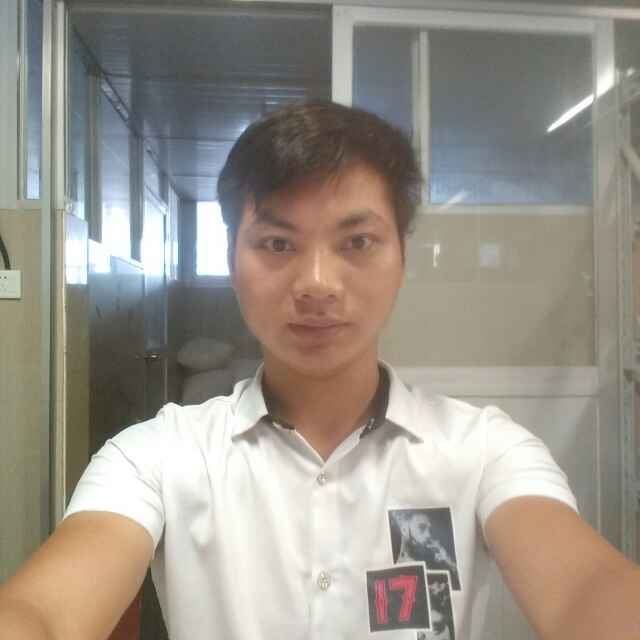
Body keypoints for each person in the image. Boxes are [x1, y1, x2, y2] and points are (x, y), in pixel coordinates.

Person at [1, 100, 639, 640]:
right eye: (277, 244)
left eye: (357, 242)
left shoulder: (485, 451)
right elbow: (44, 612)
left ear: (402, 257)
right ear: (232, 259)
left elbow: (585, 587)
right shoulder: (155, 457)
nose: (316, 283)